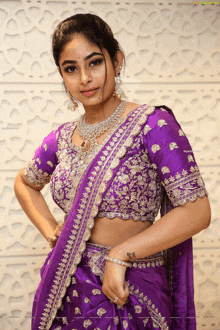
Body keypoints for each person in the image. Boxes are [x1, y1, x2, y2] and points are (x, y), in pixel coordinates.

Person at [14, 13, 211, 330]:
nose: (84, 79)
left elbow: (196, 211)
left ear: (116, 61)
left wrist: (121, 255)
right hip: (71, 288)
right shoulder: (62, 139)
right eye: (71, 69)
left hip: (131, 288)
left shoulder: (152, 125)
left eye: (94, 62)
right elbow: (25, 183)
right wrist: (51, 230)